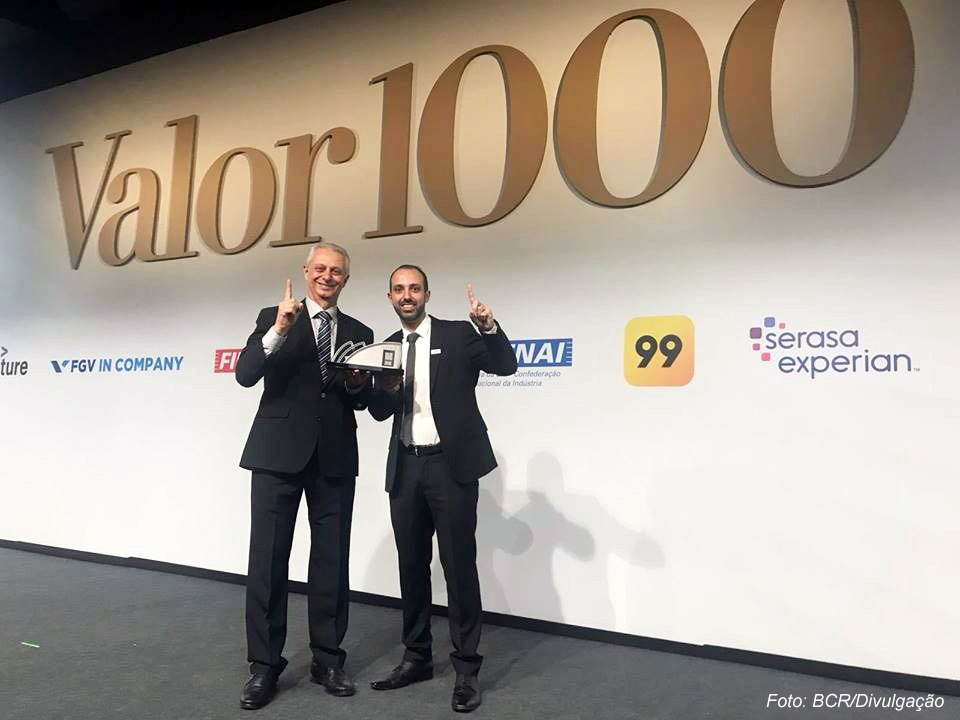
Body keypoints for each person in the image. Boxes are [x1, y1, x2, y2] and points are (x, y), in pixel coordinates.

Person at [367, 265, 517, 713]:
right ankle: (416, 658)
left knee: (458, 568)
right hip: (406, 467)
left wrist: (488, 327)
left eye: (414, 288)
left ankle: (466, 669)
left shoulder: (457, 334)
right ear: (390, 298)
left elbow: (505, 365)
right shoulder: (386, 347)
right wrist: (380, 388)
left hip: (451, 468)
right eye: (399, 289)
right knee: (411, 568)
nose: (407, 295)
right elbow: (377, 411)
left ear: (427, 294)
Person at [234, 242, 373, 710]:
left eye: (336, 271)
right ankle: (264, 667)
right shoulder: (274, 316)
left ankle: (328, 660)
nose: (327, 276)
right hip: (276, 455)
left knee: (332, 562)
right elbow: (245, 374)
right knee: (268, 561)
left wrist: (359, 383)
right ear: (306, 271)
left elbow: (363, 402)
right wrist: (279, 328)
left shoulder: (360, 332)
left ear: (346, 279)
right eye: (320, 269)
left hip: (335, 456)